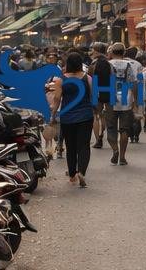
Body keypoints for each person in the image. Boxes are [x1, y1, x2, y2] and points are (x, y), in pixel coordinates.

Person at [59, 51, 95, 188]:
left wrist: (52, 116)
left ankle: (72, 174)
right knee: (84, 145)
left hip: (67, 118)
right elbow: (93, 96)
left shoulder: (61, 79)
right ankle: (82, 172)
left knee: (71, 146)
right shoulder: (88, 78)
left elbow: (57, 99)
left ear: (67, 64)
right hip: (86, 116)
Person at [106, 45, 142, 166]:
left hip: (111, 99)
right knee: (124, 130)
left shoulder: (107, 64)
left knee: (111, 128)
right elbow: (134, 84)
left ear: (112, 52)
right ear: (124, 52)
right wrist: (136, 101)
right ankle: (122, 157)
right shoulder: (129, 65)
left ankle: (115, 150)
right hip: (126, 99)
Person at [89, 44, 113, 148]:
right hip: (108, 91)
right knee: (104, 115)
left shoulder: (93, 63)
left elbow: (90, 79)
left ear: (96, 51)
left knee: (95, 116)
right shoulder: (109, 63)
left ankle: (98, 140)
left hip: (96, 91)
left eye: (93, 50)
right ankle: (103, 134)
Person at [43, 70, 63, 159]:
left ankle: (53, 151)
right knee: (55, 134)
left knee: (53, 134)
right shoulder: (48, 95)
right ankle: (56, 150)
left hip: (56, 113)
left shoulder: (55, 94)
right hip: (55, 113)